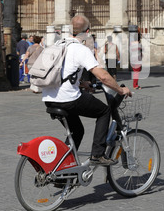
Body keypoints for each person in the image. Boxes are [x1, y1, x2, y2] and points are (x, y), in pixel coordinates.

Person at [42, 15, 132, 166]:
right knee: (104, 111)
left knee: (77, 131)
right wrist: (120, 90)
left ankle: (62, 171)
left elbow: (63, 71)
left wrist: (82, 83)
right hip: (67, 99)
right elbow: (103, 76)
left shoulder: (59, 44)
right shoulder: (80, 49)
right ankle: (97, 155)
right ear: (88, 31)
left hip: (49, 98)